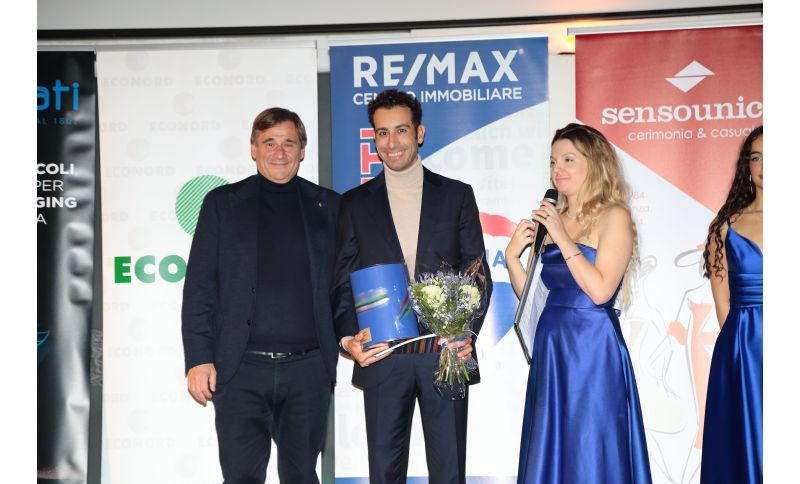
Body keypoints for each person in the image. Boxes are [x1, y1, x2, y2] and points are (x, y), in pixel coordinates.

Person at [333, 89, 492, 484]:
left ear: (419, 133)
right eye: (382, 132)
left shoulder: (456, 195)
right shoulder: (353, 204)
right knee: (384, 474)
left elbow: (476, 271)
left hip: (446, 352)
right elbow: (340, 280)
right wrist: (348, 339)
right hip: (383, 356)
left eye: (401, 130)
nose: (392, 142)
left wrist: (466, 332)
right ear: (374, 138)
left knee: (449, 472)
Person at [182, 107, 344, 483]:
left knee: (302, 477)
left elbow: (343, 285)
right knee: (241, 477)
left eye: (289, 143)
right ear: (253, 149)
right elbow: (200, 287)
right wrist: (199, 358)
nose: (279, 152)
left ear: (302, 150)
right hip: (239, 370)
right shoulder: (222, 204)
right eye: (269, 143)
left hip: (309, 370)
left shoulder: (329, 206)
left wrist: (351, 335)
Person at [505, 123, 652, 483]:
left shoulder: (613, 216)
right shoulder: (554, 221)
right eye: (553, 161)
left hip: (592, 348)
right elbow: (535, 302)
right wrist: (512, 259)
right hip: (552, 349)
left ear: (594, 163)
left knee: (590, 449)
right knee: (554, 448)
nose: (558, 169)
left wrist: (561, 237)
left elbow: (600, 291)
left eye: (568, 159)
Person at [700, 126, 763, 484]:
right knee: (744, 439)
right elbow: (722, 300)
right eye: (757, 158)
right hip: (743, 348)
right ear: (747, 166)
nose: (765, 166)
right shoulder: (725, 226)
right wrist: (740, 352)